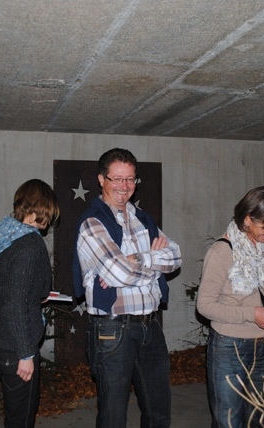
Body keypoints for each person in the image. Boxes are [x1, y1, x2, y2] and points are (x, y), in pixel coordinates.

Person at [73, 148, 182, 428]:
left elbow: (176, 257)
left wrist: (137, 259)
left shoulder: (143, 219)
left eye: (130, 179)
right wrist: (153, 262)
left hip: (150, 325)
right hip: (113, 330)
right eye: (117, 178)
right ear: (102, 179)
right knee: (113, 415)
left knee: (159, 410)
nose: (124, 186)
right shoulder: (92, 222)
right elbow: (118, 272)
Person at [196, 185, 264, 428]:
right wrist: (251, 314)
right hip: (229, 347)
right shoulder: (221, 252)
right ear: (248, 220)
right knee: (229, 420)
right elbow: (204, 305)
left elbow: (260, 281)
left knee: (261, 418)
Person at [0, 179, 60, 428]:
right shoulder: (30, 244)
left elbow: (9, 291)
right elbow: (16, 303)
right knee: (21, 418)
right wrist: (25, 354)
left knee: (15, 413)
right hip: (16, 347)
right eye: (50, 211)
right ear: (43, 207)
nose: (50, 219)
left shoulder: (4, 236)